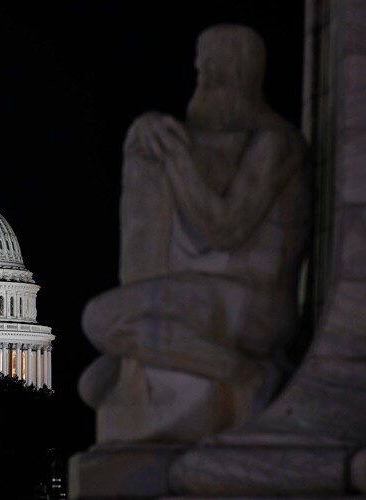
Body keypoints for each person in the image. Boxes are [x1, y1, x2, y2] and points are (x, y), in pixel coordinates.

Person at [78, 24, 313, 443]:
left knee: (100, 319)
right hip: (211, 296)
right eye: (202, 71)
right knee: (94, 384)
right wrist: (151, 137)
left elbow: (225, 228)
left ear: (241, 74)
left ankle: (246, 374)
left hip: (252, 305)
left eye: (213, 72)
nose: (203, 82)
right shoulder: (222, 141)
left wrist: (177, 157)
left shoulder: (276, 142)